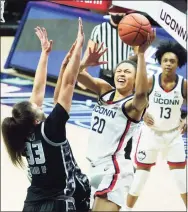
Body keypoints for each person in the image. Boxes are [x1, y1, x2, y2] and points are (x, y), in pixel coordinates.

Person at [2, 18, 90, 212]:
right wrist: (79, 48)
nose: (39, 105)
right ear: (35, 119)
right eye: (36, 107)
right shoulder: (51, 129)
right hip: (57, 202)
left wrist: (44, 54)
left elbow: (38, 90)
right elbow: (69, 83)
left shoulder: (20, 135)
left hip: (32, 202)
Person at [77, 28, 156, 211]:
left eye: (127, 72)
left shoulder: (132, 105)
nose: (121, 73)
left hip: (115, 170)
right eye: (119, 70)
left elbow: (142, 92)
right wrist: (85, 63)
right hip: (92, 166)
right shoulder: (105, 90)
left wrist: (142, 55)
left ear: (136, 79)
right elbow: (76, 75)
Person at [126, 41, 187, 211]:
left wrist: (186, 119)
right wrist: (143, 113)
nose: (168, 64)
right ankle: (126, 209)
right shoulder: (151, 81)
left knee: (182, 180)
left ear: (178, 64)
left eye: (172, 61)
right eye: (165, 60)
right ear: (160, 61)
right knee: (140, 178)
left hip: (173, 136)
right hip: (150, 135)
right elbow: (135, 98)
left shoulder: (184, 84)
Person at [78, 6, 137, 88]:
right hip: (106, 76)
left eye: (120, 11)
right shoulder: (99, 29)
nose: (118, 14)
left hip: (125, 77)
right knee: (104, 100)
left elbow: (138, 54)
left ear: (125, 12)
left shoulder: (132, 29)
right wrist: (84, 73)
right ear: (109, 11)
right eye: (116, 11)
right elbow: (89, 52)